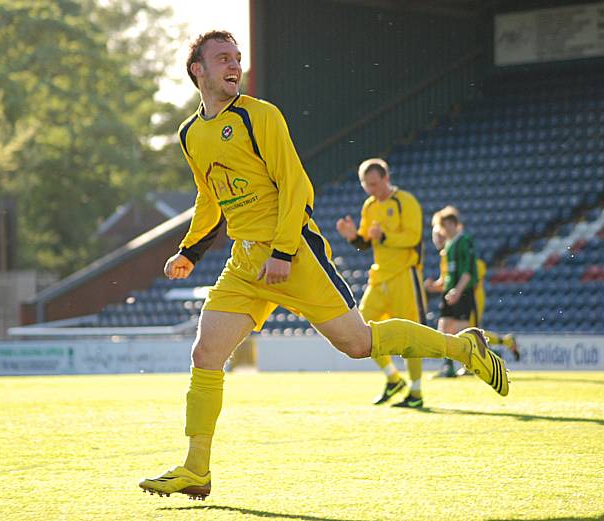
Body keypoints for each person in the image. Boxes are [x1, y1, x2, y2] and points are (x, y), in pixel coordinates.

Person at [139, 30, 509, 501]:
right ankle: (195, 469)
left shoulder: (261, 115)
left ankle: (464, 350)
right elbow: (210, 197)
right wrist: (190, 251)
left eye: (237, 57)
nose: (235, 65)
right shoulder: (190, 133)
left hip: (292, 254)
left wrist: (282, 250)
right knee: (205, 355)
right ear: (198, 70)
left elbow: (296, 185)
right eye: (223, 58)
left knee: (358, 344)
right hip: (244, 261)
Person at [336, 158, 427, 408]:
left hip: (404, 275)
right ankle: (393, 378)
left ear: (386, 178)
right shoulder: (369, 206)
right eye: (366, 185)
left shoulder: (404, 201)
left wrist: (384, 236)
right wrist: (353, 236)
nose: (371, 190)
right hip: (380, 276)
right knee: (360, 330)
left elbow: (414, 237)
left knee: (411, 334)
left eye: (374, 184)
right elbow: (366, 242)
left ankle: (416, 391)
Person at [425, 208, 520, 378]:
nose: (442, 231)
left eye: (444, 226)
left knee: (467, 331)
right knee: (444, 329)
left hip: (465, 293)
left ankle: (486, 359)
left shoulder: (465, 241)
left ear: (453, 224)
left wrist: (457, 290)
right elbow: (447, 277)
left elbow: (468, 272)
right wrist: (434, 286)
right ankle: (449, 367)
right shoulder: (448, 248)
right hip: (450, 293)